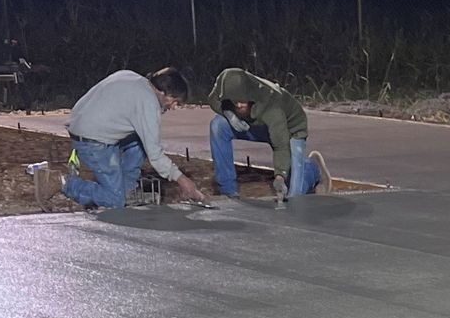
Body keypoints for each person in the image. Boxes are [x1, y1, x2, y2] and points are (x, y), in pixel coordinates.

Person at [60, 66, 203, 210]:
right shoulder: (148, 103)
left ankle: (126, 190)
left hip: (80, 125)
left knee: (139, 142)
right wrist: (183, 180)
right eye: (175, 101)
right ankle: (64, 184)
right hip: (91, 141)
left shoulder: (130, 76)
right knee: (114, 200)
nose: (174, 107)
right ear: (163, 92)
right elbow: (156, 157)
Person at [205, 67, 323, 201]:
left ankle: (312, 169)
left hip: (289, 130)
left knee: (294, 196)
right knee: (218, 125)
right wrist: (229, 114)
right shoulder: (224, 83)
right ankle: (228, 191)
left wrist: (280, 176)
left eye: (242, 101)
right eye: (233, 101)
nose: (238, 105)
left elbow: (280, 146)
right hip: (257, 125)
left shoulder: (271, 105)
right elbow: (213, 100)